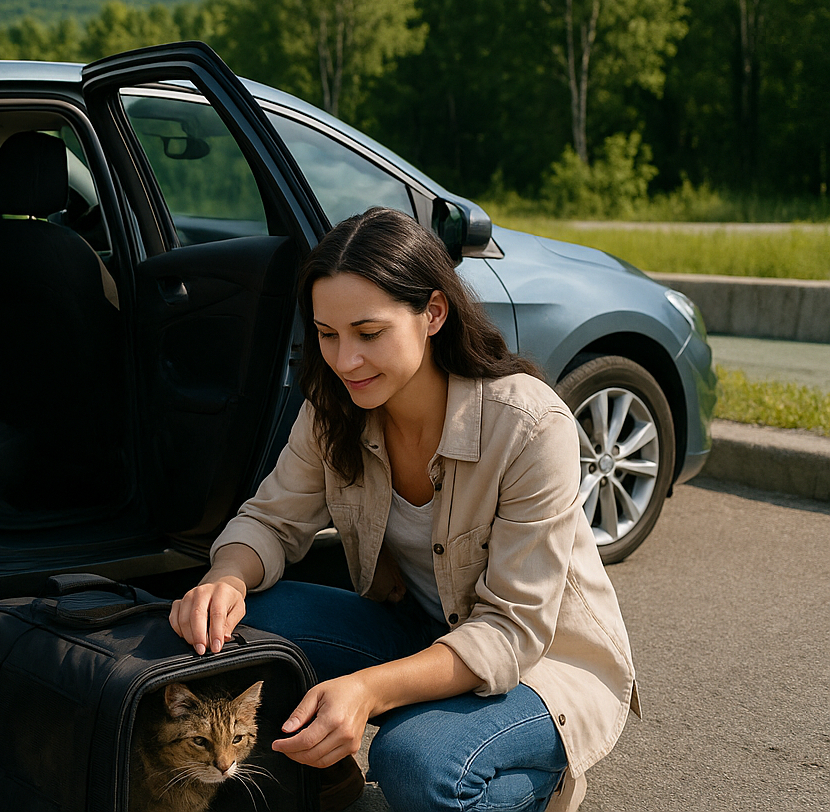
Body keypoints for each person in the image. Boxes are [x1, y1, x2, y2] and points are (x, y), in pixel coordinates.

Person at [169, 207, 638, 812]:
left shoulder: (529, 425)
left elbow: (511, 630)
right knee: (238, 625)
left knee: (411, 760)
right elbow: (270, 521)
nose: (344, 361)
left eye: (369, 333)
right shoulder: (333, 408)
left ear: (433, 314)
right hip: (421, 629)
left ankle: (531, 780)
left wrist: (366, 691)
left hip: (542, 667)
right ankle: (325, 779)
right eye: (327, 334)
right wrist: (223, 578)